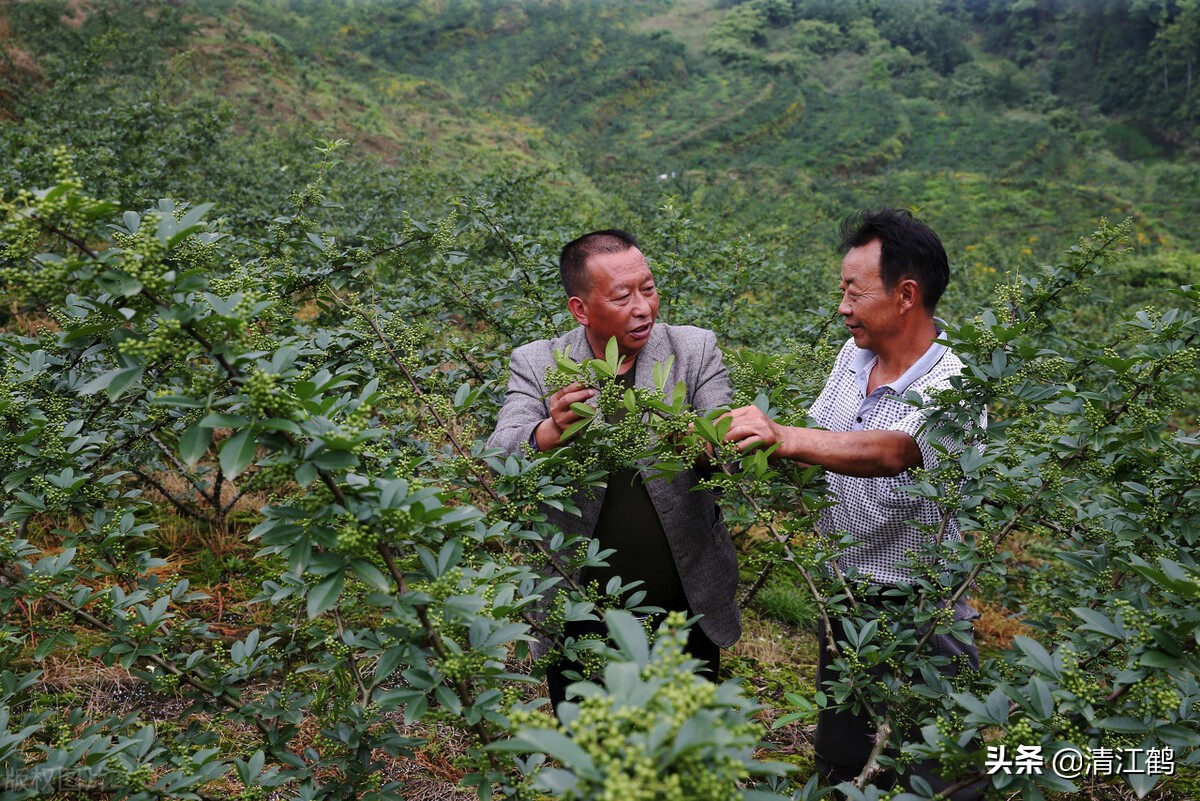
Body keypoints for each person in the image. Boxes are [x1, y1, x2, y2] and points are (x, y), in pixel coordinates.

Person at [721, 208, 984, 799]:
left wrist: (786, 436)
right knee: (842, 753)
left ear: (905, 295)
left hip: (922, 607)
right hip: (844, 586)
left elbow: (896, 451)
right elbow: (824, 439)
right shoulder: (853, 355)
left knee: (940, 769)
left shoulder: (957, 383)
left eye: (852, 291)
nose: (842, 306)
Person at [487, 229, 741, 710]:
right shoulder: (540, 363)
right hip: (580, 606)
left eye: (648, 288)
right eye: (623, 296)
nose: (643, 307)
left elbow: (728, 452)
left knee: (680, 750)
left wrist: (700, 441)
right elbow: (500, 453)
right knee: (590, 749)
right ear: (580, 309)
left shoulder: (693, 351)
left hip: (684, 604)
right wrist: (547, 433)